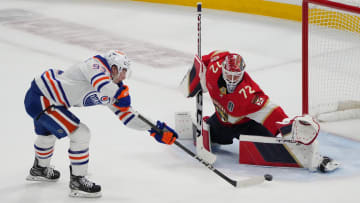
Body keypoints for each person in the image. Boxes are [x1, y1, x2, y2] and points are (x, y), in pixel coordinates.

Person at [24, 50, 178, 198]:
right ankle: (77, 182)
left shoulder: (112, 88)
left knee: (47, 136)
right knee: (81, 134)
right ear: (113, 67)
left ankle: (39, 169)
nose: (124, 75)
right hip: (42, 97)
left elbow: (128, 116)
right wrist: (118, 94)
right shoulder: (95, 65)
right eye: (123, 70)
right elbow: (101, 83)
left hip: (49, 100)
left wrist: (153, 128)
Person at [180, 50, 339, 173]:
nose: (232, 80)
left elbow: (271, 111)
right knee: (210, 139)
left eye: (237, 76)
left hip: (247, 125)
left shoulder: (249, 94)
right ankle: (210, 125)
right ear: (222, 69)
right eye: (229, 74)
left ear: (243, 73)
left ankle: (317, 158)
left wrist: (288, 128)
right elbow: (209, 58)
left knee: (275, 149)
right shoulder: (213, 70)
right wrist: (197, 73)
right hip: (222, 122)